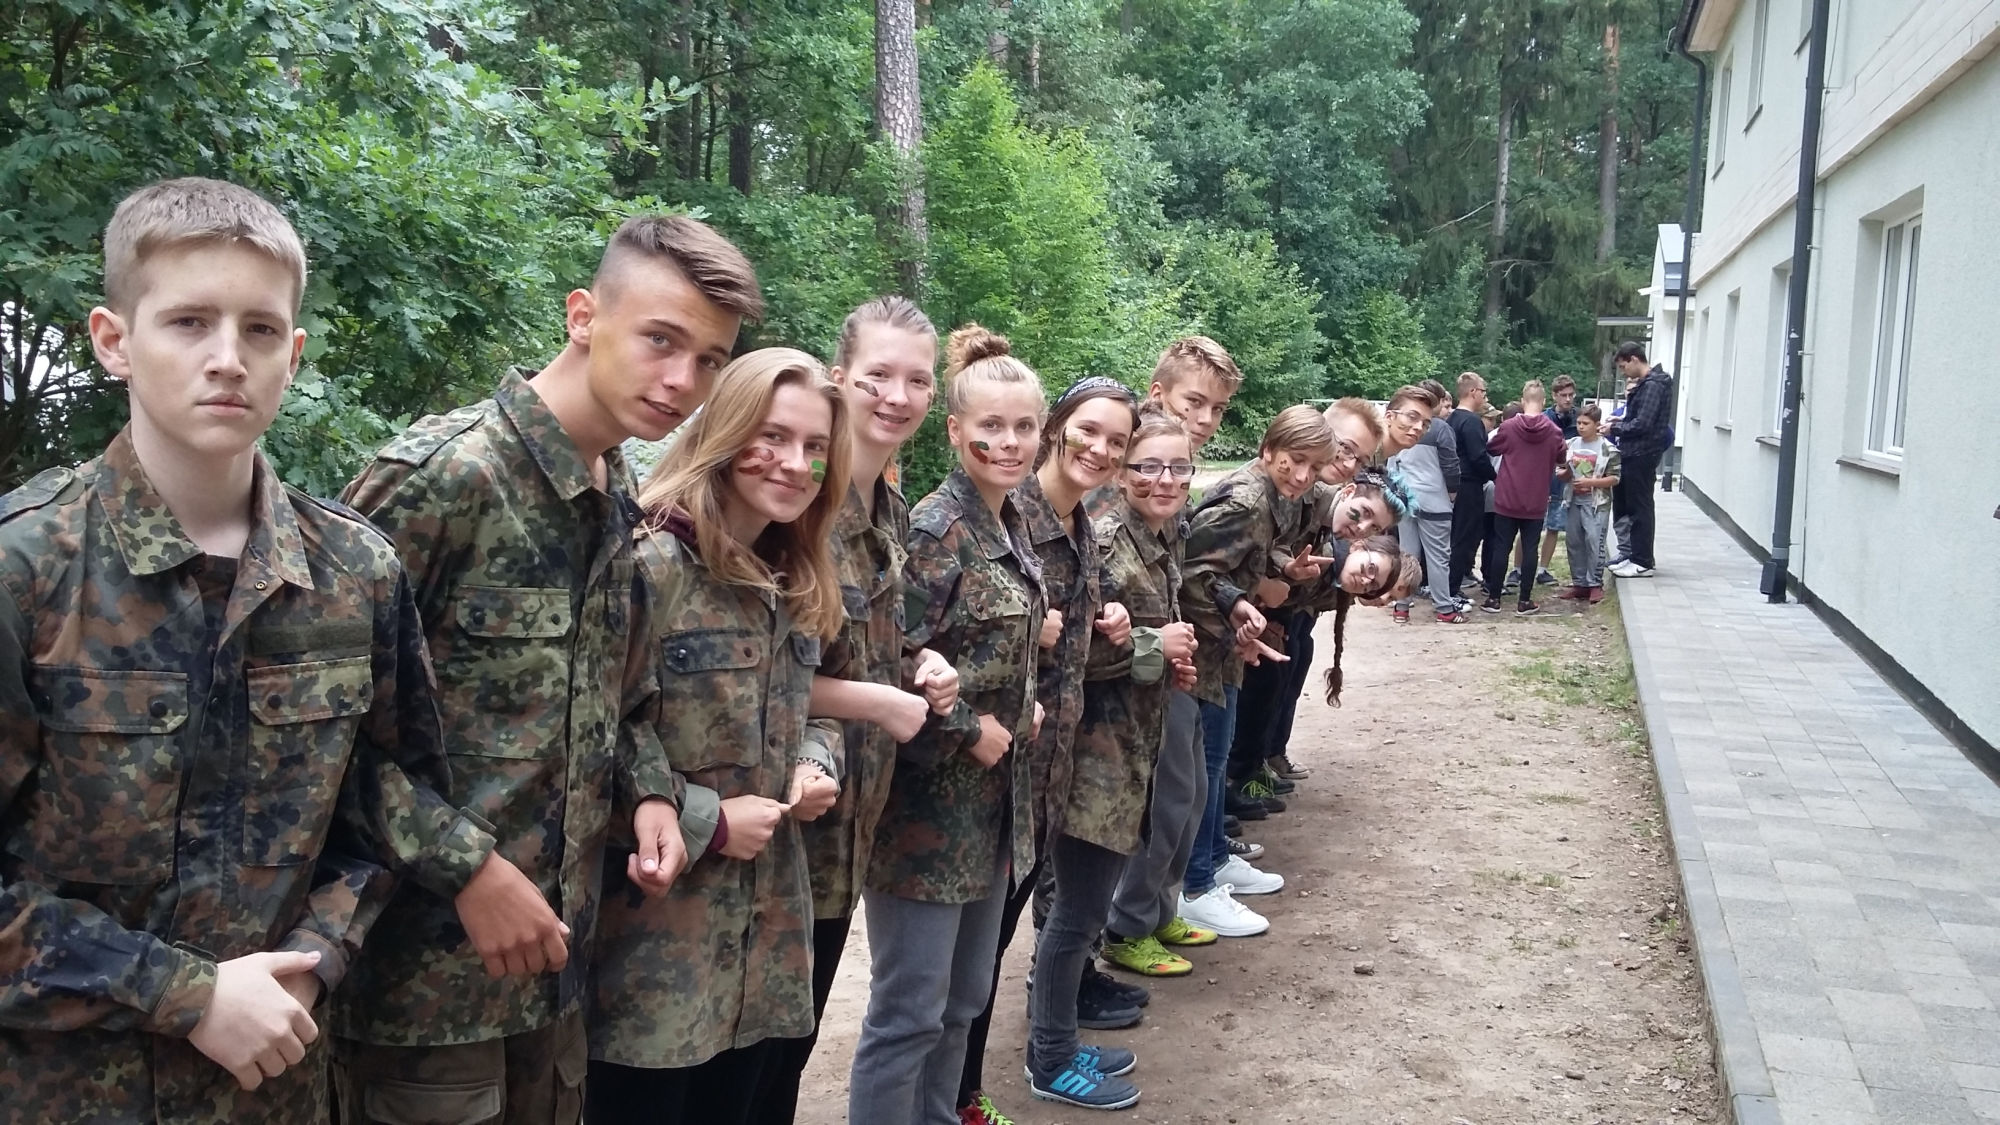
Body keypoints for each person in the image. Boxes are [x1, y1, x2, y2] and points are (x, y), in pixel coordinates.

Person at [0, 177, 475, 1124]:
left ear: (292, 355)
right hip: (64, 1093)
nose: (228, 358)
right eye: (188, 322)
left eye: (260, 329)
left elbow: (384, 814)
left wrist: (318, 954)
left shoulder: (354, 572)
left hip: (277, 1086)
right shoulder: (27, 568)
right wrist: (186, 993)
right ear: (113, 341)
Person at [334, 215, 756, 1122]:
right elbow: (314, 734)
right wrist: (467, 869)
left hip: (557, 978)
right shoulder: (446, 477)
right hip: (424, 992)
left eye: (710, 361)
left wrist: (649, 794)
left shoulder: (614, 491)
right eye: (660, 340)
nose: (682, 381)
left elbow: (611, 699)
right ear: (582, 316)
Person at [586, 350, 848, 1123]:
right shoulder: (650, 564)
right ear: (726, 433)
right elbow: (589, 735)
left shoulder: (794, 575)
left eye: (814, 446)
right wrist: (709, 819)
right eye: (773, 436)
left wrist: (814, 760)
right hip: (652, 967)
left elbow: (815, 708)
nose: (795, 463)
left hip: (765, 952)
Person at [750, 298, 961, 1125]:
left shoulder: (888, 509)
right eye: (877, 375)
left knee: (793, 1043)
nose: (896, 396)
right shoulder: (796, 500)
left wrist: (917, 663)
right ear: (839, 377)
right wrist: (880, 699)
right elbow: (757, 675)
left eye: (917, 380)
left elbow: (863, 644)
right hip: (783, 815)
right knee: (756, 1055)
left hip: (852, 821)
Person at [848, 326, 1046, 1125]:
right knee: (909, 1014)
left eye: (1024, 425)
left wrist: (1023, 701)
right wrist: (970, 726)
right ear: (956, 430)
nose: (1010, 441)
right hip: (924, 815)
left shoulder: (1011, 519)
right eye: (992, 426)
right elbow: (891, 654)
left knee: (963, 1001)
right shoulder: (935, 529)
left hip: (992, 809)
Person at [958, 375, 1137, 1121]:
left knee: (991, 947)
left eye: (1116, 441)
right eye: (1088, 430)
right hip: (997, 772)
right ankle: (961, 1096)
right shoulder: (1013, 516)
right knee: (972, 955)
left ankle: (969, 1088)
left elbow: (1071, 653)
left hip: (1049, 769)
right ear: (1057, 427)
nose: (1099, 448)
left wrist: (1113, 626)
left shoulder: (1080, 523)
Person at [1090, 339, 1244, 1023]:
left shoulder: (1173, 485)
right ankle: (1129, 924)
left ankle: (1157, 909)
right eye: (1194, 403)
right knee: (1157, 805)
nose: (1205, 419)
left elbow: (1176, 579)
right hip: (1124, 690)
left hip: (1166, 675)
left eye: (1217, 409)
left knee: (1188, 793)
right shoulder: (1117, 490)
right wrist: (1157, 644)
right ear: (1157, 395)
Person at [1176, 406, 1334, 939]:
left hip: (1224, 649)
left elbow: (1236, 565)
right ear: (1268, 451)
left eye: (1314, 467)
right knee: (1204, 767)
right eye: (1295, 461)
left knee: (1215, 761)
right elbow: (1189, 572)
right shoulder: (1246, 502)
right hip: (1201, 652)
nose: (1303, 476)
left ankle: (1214, 862)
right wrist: (1239, 606)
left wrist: (1278, 572)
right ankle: (1196, 884)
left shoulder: (1274, 497)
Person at [1483, 381, 1567, 617]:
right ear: (1543, 401)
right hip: (1536, 498)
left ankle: (1493, 599)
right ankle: (1525, 601)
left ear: (1522, 401)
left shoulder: (1509, 427)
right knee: (1531, 548)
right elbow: (1561, 456)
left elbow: (1492, 448)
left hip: (1507, 496)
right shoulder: (1553, 431)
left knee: (1501, 546)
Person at [1382, 385, 1464, 624]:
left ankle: (1401, 606)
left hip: (1405, 498)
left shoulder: (1399, 427)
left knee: (1407, 555)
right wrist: (1452, 494)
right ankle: (1444, 608)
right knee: (1438, 557)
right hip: (1434, 499)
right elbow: (1451, 466)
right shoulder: (1441, 429)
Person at [1606, 342, 1673, 578]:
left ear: (1634, 359)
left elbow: (1643, 424)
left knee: (1640, 507)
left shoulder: (1654, 385)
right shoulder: (1646, 385)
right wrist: (1619, 422)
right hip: (1633, 453)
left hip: (1642, 454)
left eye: (1624, 367)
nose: (1624, 373)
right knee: (1630, 506)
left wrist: (1615, 429)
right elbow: (1637, 418)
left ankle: (1643, 561)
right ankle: (1632, 555)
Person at [1555, 404, 1621, 604]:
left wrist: (1591, 482)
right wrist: (1566, 473)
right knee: (1574, 541)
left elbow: (1615, 478)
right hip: (1574, 499)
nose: (1581, 427)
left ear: (1597, 424)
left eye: (1586, 423)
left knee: (1594, 541)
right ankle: (1579, 583)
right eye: (1579, 423)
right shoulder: (1571, 444)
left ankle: (1594, 583)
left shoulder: (1608, 449)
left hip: (1596, 502)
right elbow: (1562, 471)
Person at [1446, 372, 1493, 600]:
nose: (1485, 397)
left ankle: (1447, 584)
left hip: (1451, 484)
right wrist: (1494, 476)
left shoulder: (1451, 419)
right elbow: (1478, 457)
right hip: (1469, 485)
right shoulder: (1472, 421)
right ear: (1473, 392)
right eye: (1483, 391)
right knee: (1464, 537)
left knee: (1453, 536)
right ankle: (1452, 588)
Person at [1533, 375, 1579, 587]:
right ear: (1554, 396)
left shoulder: (1578, 419)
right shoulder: (1544, 418)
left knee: (1554, 526)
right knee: (1531, 527)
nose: (1568, 399)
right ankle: (1518, 569)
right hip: (1542, 480)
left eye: (1571, 395)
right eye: (1563, 395)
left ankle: (1543, 569)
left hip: (1564, 481)